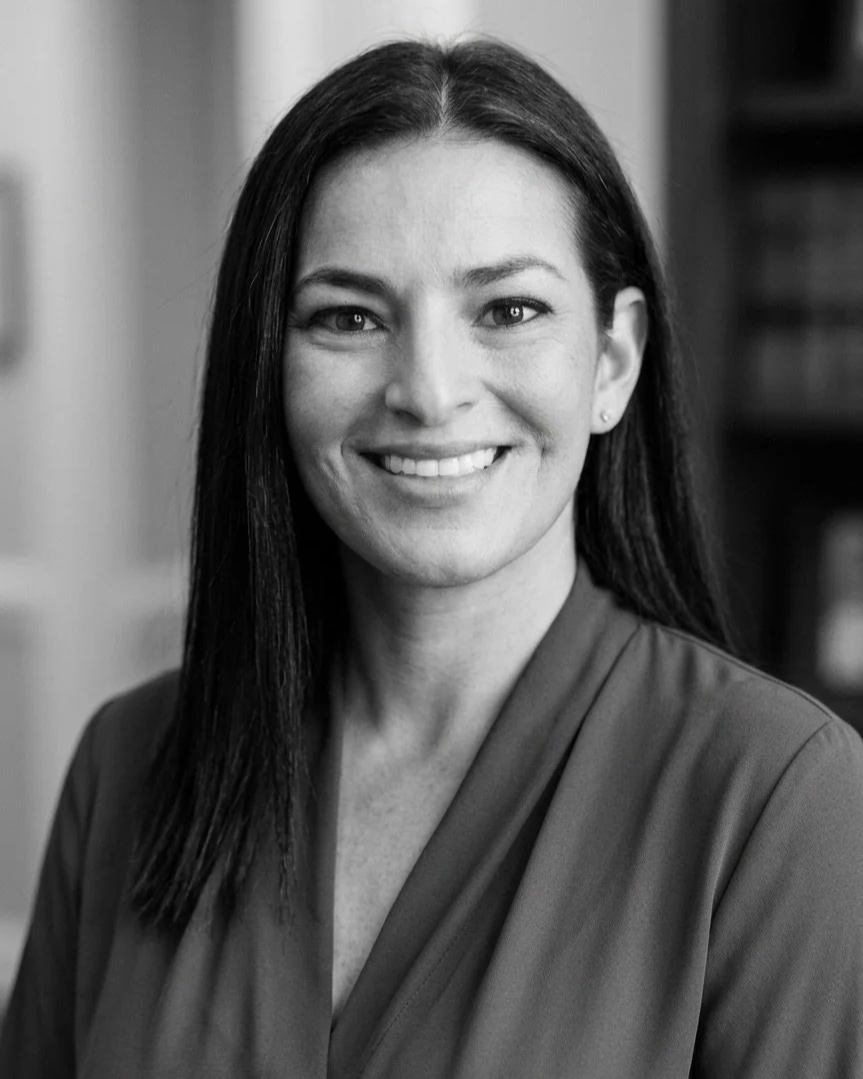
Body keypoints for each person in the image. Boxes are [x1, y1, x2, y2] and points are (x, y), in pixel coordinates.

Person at [2, 36, 862, 1079]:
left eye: (507, 309)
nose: (427, 387)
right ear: (265, 367)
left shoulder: (778, 801)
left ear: (613, 359)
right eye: (348, 316)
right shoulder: (127, 765)